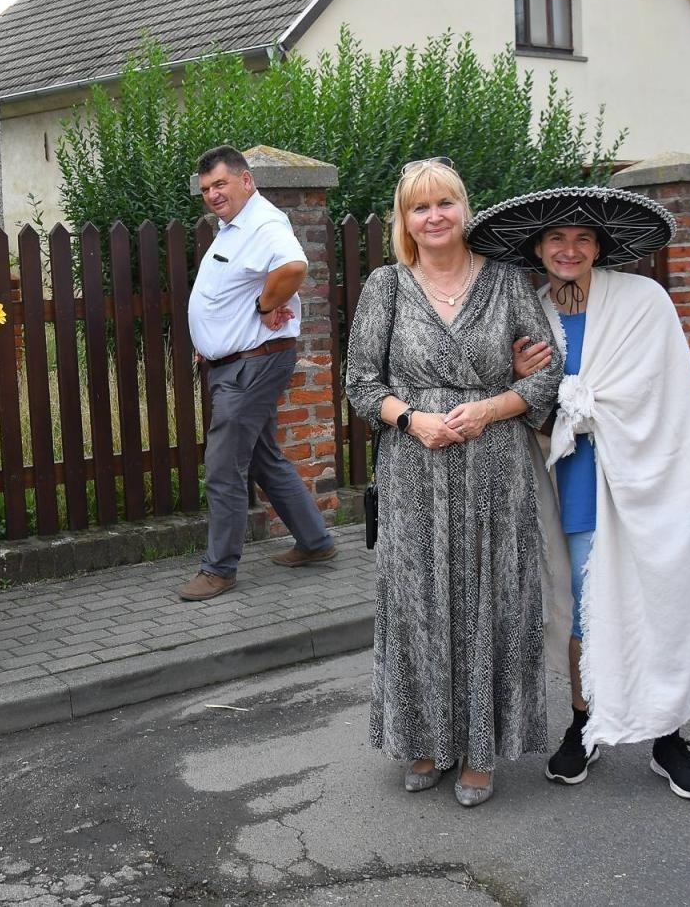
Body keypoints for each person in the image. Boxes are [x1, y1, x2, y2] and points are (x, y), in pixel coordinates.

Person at [476, 186, 690, 801]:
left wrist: (574, 398)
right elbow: (531, 416)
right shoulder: (531, 314)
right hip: (574, 483)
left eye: (582, 238)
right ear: (538, 247)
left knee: (659, 600)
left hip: (646, 480)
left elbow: (660, 398)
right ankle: (584, 723)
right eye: (556, 238)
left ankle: (667, 737)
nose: (569, 249)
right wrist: (525, 380)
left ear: (599, 246)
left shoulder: (646, 302)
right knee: (585, 606)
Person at [344, 158, 562, 807]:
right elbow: (361, 385)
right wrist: (413, 419)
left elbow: (545, 378)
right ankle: (428, 739)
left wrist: (492, 407)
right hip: (414, 470)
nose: (434, 216)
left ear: (466, 209)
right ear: (404, 220)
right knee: (418, 606)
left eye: (445, 203)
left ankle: (480, 752)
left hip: (494, 469)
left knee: (492, 604)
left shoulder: (506, 283)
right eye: (420, 207)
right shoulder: (385, 287)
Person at [178, 145, 337, 601]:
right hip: (236, 361)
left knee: (224, 466)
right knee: (264, 456)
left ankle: (219, 569)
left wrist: (266, 305)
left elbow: (293, 267)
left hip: (253, 363)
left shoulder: (263, 222)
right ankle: (316, 542)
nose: (212, 194)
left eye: (220, 184)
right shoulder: (232, 228)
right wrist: (212, 341)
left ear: (246, 181)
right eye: (206, 188)